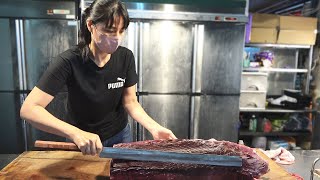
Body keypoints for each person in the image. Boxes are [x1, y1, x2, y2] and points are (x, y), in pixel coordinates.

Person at [20, 0, 177, 156]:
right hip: (83, 142)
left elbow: (130, 102)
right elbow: (29, 109)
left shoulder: (126, 57)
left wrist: (154, 127)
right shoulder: (68, 61)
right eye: (110, 31)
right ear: (90, 25)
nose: (117, 38)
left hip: (120, 136)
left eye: (121, 31)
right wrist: (75, 133)